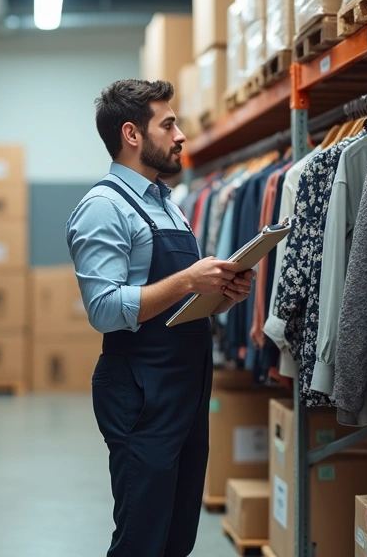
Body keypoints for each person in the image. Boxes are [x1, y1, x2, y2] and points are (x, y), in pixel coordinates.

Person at [66, 79, 255, 556]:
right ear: (132, 134)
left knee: (176, 540)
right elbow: (104, 310)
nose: (180, 135)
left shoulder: (166, 203)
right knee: (141, 541)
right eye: (168, 124)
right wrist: (189, 280)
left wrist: (222, 295)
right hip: (140, 391)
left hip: (186, 387)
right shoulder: (104, 208)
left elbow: (174, 301)